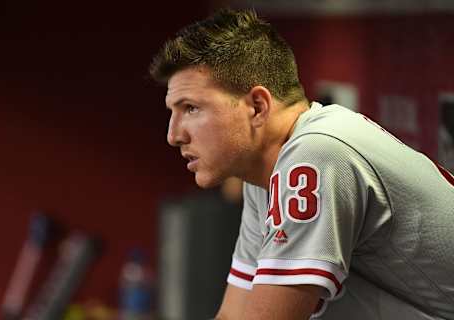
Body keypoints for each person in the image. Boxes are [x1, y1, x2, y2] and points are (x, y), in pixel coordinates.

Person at [149, 9, 454, 320]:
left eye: (191, 108)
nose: (174, 135)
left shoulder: (316, 153)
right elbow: (234, 315)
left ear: (257, 106)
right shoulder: (264, 172)